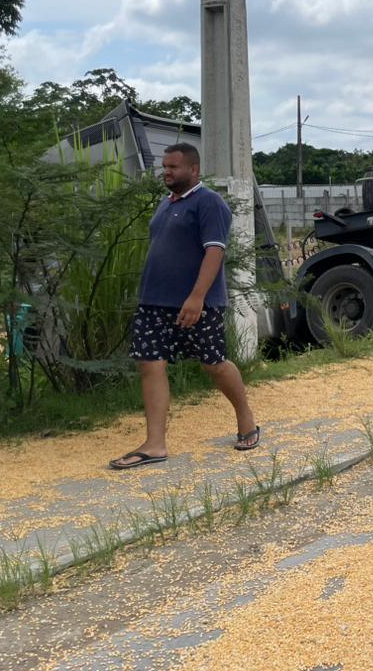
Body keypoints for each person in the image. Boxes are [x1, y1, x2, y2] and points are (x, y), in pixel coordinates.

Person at [109, 143, 260, 470]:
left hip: (196, 302)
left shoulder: (209, 202)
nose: (166, 171)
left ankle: (246, 419)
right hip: (154, 301)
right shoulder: (165, 204)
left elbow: (215, 251)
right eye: (164, 166)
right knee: (150, 364)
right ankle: (155, 444)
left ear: (193, 169)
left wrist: (197, 297)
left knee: (213, 363)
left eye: (173, 167)